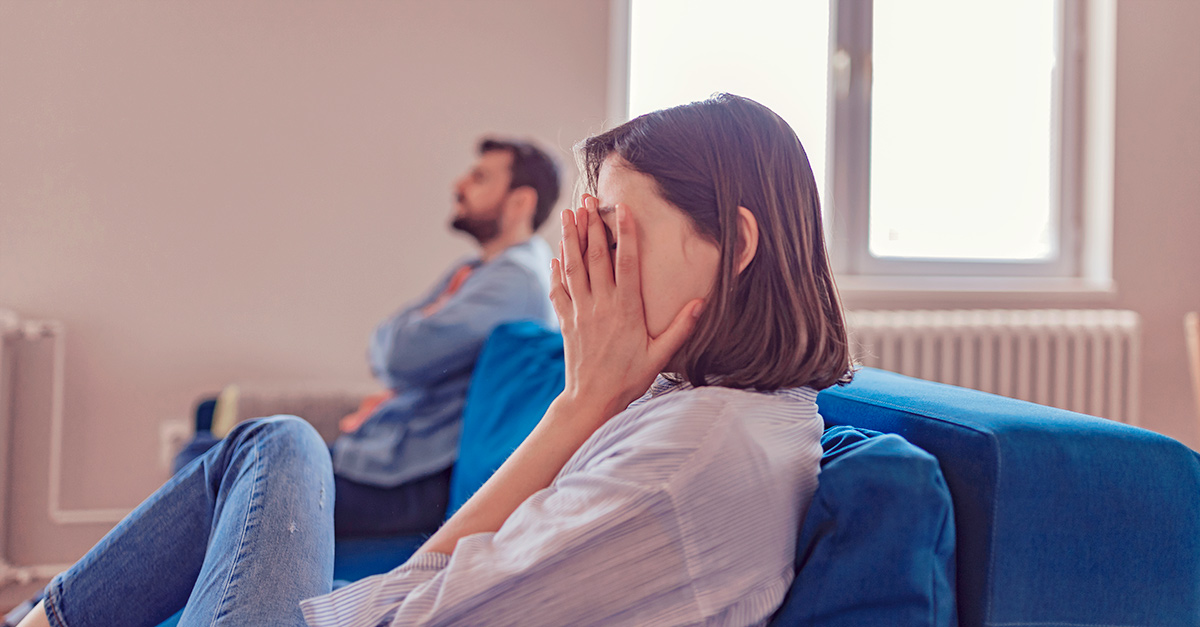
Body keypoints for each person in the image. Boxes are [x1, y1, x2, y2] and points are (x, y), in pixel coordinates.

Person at [17, 94, 851, 627]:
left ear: (735, 242)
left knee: (272, 445)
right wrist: (582, 404)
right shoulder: (701, 405)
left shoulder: (692, 455)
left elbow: (411, 607)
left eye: (617, 235)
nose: (589, 265)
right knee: (263, 449)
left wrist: (584, 404)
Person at [329, 138, 561, 538]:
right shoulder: (473, 271)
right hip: (391, 460)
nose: (459, 184)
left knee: (230, 468)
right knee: (216, 454)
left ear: (520, 202)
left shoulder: (515, 280)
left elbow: (399, 354)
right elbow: (388, 346)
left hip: (414, 476)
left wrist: (405, 340)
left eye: (480, 178)